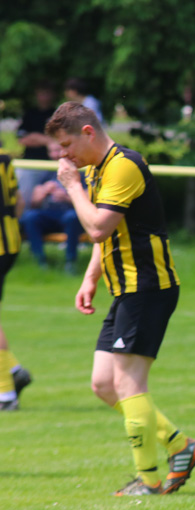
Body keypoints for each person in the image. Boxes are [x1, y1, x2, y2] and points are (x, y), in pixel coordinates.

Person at [46, 102, 195, 495]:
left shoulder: (123, 166)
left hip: (148, 288)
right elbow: (112, 234)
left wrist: (71, 186)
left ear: (88, 132)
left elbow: (98, 228)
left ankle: (149, 479)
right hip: (126, 290)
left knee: (127, 380)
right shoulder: (98, 170)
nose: (64, 155)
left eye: (67, 145)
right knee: (103, 384)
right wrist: (90, 278)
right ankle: (181, 446)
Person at [19, 142, 86, 273]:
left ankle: (70, 261)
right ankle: (39, 261)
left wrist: (67, 197)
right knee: (31, 217)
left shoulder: (80, 170)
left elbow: (88, 201)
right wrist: (44, 191)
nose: (55, 155)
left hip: (70, 213)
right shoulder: (48, 171)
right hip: (49, 213)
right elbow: (34, 202)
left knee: (72, 217)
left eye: (57, 151)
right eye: (51, 151)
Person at [0, 150, 34, 411]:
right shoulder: (4, 157)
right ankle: (13, 370)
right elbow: (19, 201)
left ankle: (5, 394)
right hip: (9, 240)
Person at [16, 82, 57, 213]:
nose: (43, 96)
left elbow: (58, 142)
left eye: (47, 92)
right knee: (25, 196)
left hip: (52, 163)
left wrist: (34, 137)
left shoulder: (56, 114)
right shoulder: (30, 114)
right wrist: (46, 140)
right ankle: (23, 223)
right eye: (41, 92)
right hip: (31, 163)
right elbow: (22, 139)